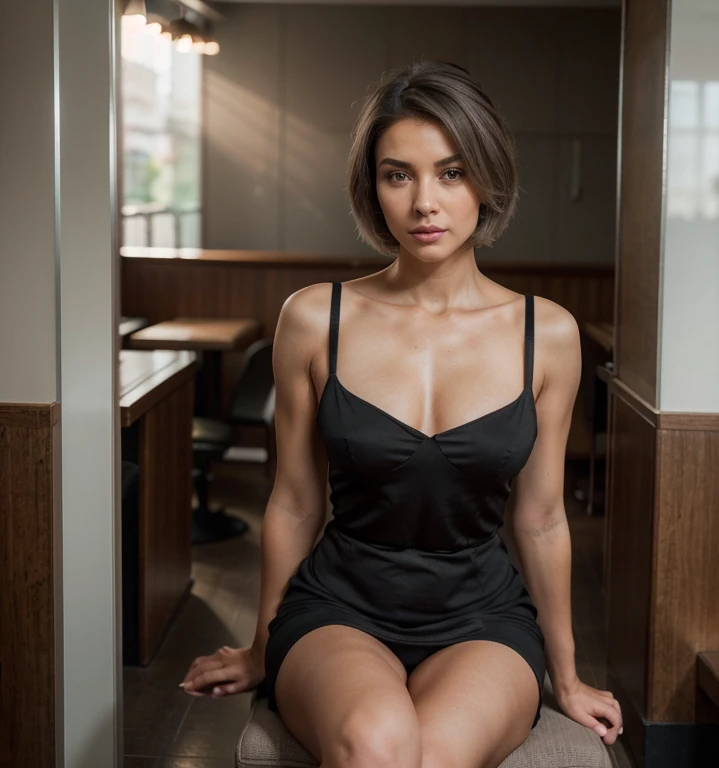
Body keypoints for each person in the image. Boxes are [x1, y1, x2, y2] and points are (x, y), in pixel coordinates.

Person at [180, 59, 623, 766]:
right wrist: (264, 644)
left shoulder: (551, 335)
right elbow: (293, 503)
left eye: (451, 173)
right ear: (372, 188)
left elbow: (540, 519)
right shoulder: (313, 319)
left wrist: (565, 677)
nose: (425, 202)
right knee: (377, 745)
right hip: (338, 607)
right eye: (398, 174)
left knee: (436, 756)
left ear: (488, 179)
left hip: (484, 617)